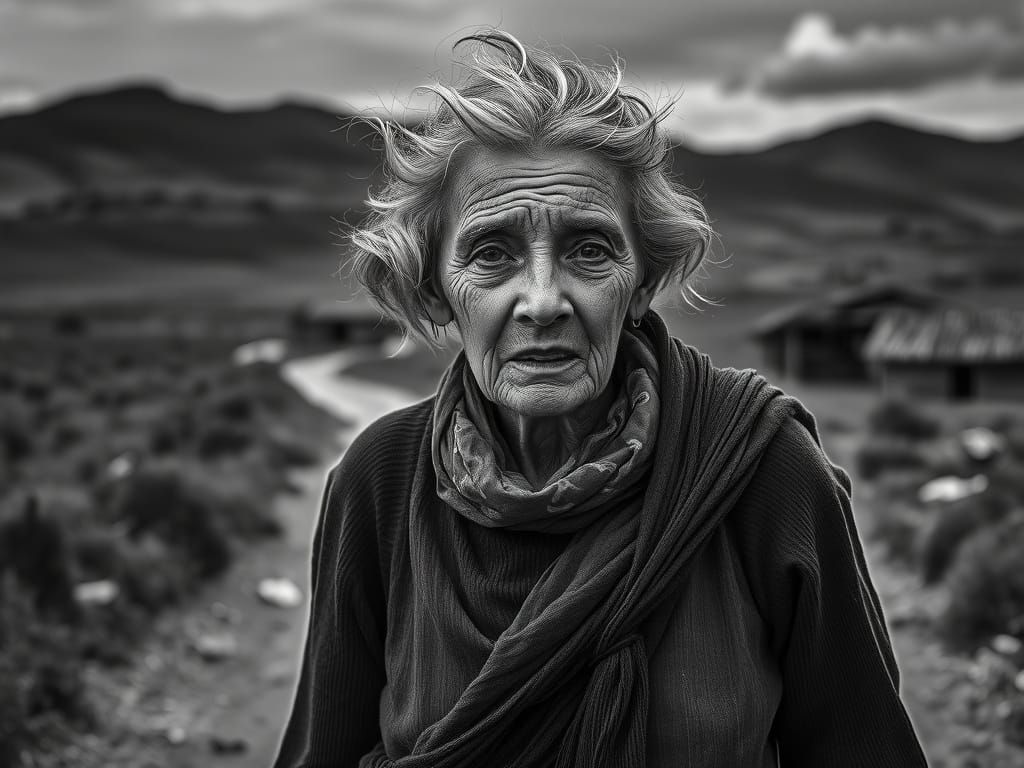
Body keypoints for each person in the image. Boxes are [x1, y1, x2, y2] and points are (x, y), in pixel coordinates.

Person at [273, 30, 927, 768]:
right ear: (436, 288)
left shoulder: (758, 469)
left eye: (590, 248)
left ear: (641, 281)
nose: (544, 300)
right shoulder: (381, 483)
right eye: (492, 253)